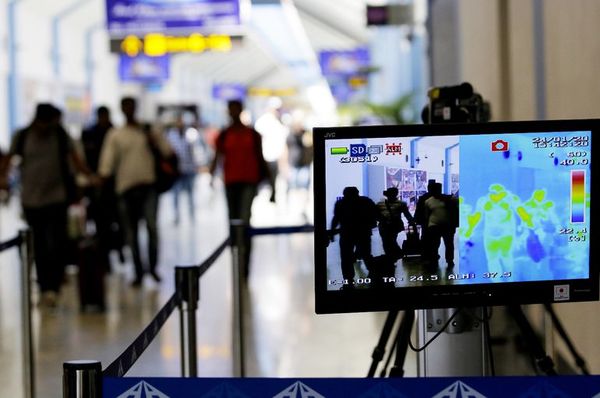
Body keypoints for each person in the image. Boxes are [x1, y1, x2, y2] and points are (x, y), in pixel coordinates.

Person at [0, 104, 96, 307]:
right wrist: (3, 179)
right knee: (40, 244)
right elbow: (9, 160)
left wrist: (90, 176)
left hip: (57, 198)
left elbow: (75, 160)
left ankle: (54, 283)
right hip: (31, 200)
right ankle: (46, 286)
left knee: (57, 242)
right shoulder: (23, 136)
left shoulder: (60, 136)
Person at [98, 97, 173, 286]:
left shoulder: (148, 130)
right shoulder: (116, 135)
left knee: (151, 228)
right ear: (122, 109)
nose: (129, 110)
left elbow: (168, 152)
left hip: (149, 187)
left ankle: (153, 267)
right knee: (131, 233)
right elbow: (106, 166)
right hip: (125, 189)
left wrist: (153, 140)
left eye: (132, 106)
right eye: (126, 107)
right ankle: (139, 271)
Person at [209, 99, 271, 278]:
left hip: (249, 182)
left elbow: (260, 156)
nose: (233, 112)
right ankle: (237, 258)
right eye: (231, 109)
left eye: (236, 109)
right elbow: (217, 156)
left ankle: (245, 262)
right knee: (233, 222)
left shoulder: (252, 134)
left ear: (241, 110)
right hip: (231, 183)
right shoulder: (224, 134)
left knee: (244, 220)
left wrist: (271, 182)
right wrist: (211, 175)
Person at [81, 106, 125, 267]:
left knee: (118, 221)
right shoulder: (89, 133)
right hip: (97, 185)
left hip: (115, 185)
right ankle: (105, 258)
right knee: (101, 223)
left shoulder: (116, 133)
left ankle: (119, 248)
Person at [330, 186, 378, 287]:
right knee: (366, 254)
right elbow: (376, 214)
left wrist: (332, 231)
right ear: (357, 193)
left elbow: (336, 218)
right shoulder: (366, 201)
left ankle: (348, 280)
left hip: (347, 233)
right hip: (363, 232)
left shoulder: (341, 203)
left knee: (346, 257)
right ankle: (373, 273)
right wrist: (373, 224)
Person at [167, 115, 198, 224]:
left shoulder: (190, 134)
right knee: (175, 195)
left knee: (190, 194)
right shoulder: (171, 135)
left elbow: (194, 152)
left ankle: (192, 215)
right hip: (177, 171)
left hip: (189, 169)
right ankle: (176, 216)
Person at [424, 183, 459, 269]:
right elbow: (427, 215)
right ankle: (434, 260)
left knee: (449, 244)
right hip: (434, 225)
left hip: (448, 225)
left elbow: (456, 209)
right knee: (434, 244)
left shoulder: (449, 199)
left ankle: (449, 260)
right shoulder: (428, 201)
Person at [376, 187, 415, 261]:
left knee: (387, 241)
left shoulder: (379, 204)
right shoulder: (401, 204)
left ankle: (392, 257)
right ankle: (394, 256)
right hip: (392, 225)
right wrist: (411, 222)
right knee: (390, 241)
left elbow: (376, 215)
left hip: (386, 226)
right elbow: (407, 214)